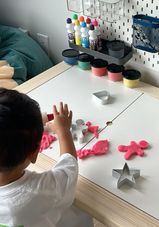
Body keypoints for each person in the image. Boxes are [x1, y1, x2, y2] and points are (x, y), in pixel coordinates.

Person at [0, 87, 93, 227]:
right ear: (34, 152)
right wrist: (63, 131)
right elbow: (69, 169)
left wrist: (36, 121)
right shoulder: (38, 191)